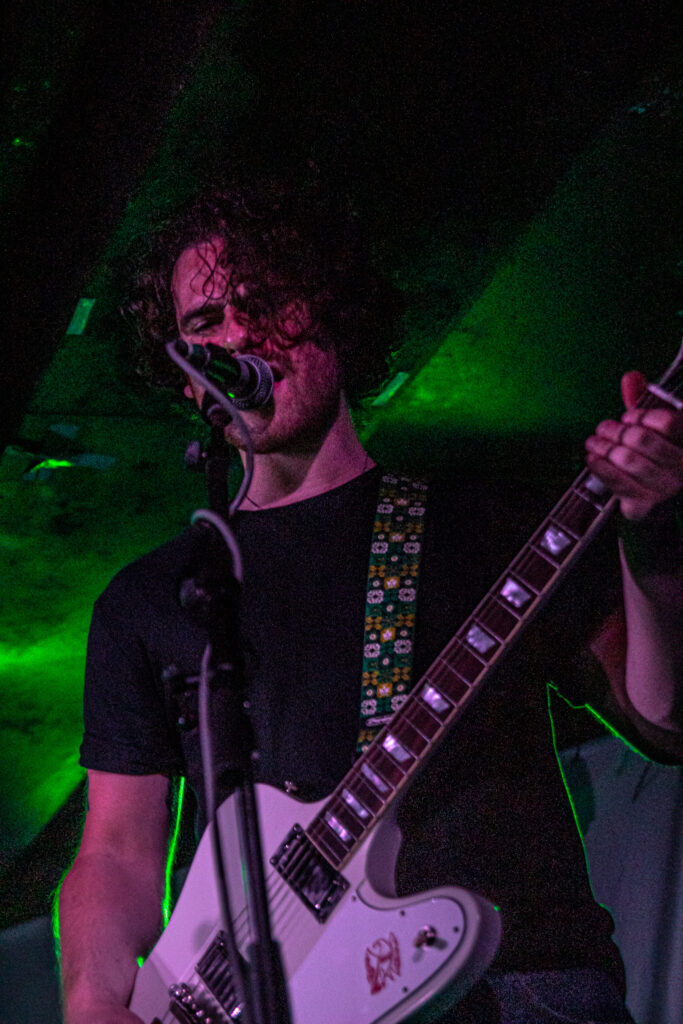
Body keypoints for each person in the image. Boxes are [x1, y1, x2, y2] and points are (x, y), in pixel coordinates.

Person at [58, 179, 683, 1024]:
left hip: (517, 983)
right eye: (205, 326)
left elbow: (662, 719)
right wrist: (95, 1001)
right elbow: (120, 851)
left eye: (264, 301)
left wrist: (652, 538)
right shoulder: (151, 600)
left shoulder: (491, 522)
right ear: (190, 382)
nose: (237, 334)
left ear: (330, 314)